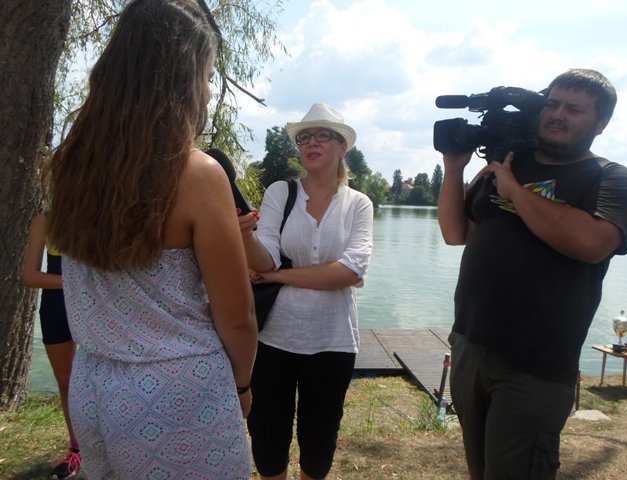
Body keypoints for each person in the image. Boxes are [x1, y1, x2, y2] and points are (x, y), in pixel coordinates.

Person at [45, 0, 257, 478]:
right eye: (206, 76)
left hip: (93, 382)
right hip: (177, 391)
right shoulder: (196, 173)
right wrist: (243, 384)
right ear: (183, 80)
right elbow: (238, 317)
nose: (208, 90)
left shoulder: (68, 165)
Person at [438, 68, 627, 479]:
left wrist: (514, 190)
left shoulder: (611, 178)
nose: (557, 114)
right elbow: (455, 233)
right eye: (552, 104)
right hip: (471, 347)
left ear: (601, 123)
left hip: (535, 365)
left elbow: (591, 243)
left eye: (574, 109)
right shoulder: (508, 165)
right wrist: (454, 169)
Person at [238, 103, 374, 480]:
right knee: (267, 442)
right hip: (273, 338)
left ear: (342, 146)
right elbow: (264, 259)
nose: (311, 142)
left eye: (322, 135)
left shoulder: (358, 204)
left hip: (333, 341)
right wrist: (244, 235)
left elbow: (349, 271)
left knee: (318, 446)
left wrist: (280, 276)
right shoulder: (281, 193)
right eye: (304, 137)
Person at [22, 212, 81, 479]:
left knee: (106, 376)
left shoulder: (99, 213)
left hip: (92, 307)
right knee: (66, 382)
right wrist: (74, 283)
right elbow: (30, 276)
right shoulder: (45, 221)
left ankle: (111, 443)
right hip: (56, 308)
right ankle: (76, 449)